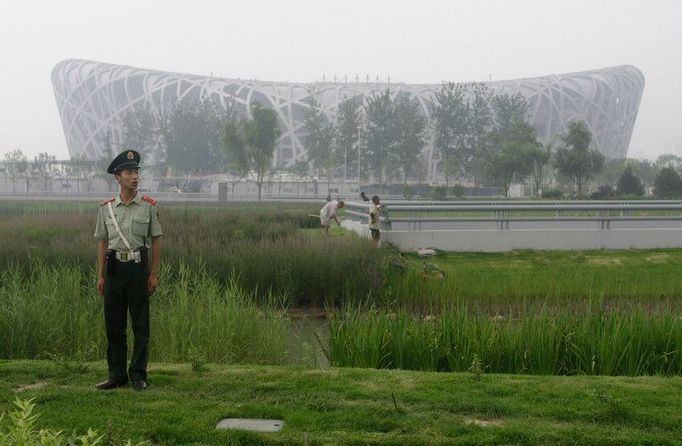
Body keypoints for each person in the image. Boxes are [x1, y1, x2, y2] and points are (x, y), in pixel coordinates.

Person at [94, 150, 162, 391]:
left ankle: (138, 375)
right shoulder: (106, 208)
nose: (134, 177)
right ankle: (116, 375)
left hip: (137, 269)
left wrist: (153, 273)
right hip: (113, 270)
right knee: (114, 325)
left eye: (136, 172)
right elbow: (102, 242)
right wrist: (100, 275)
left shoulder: (148, 207)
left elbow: (155, 241)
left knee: (141, 326)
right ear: (118, 178)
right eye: (129, 173)